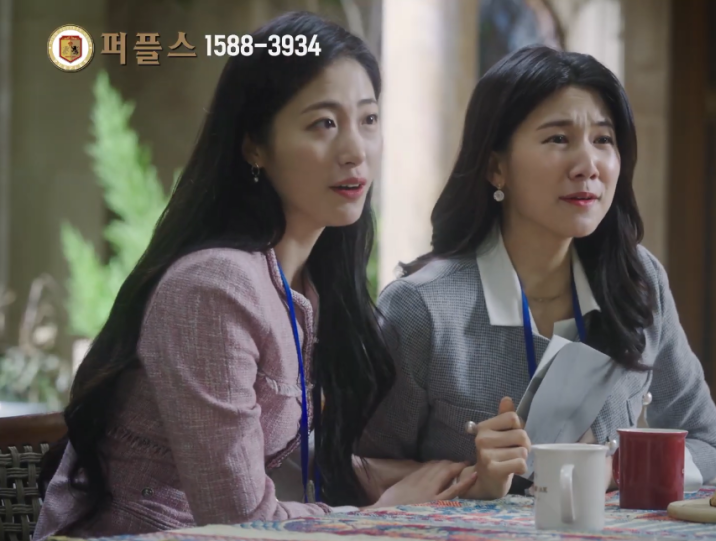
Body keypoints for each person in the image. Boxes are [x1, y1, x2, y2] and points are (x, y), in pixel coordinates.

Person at [34, 12, 472, 540]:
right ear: (254, 146)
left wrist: (456, 479)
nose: (356, 150)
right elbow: (244, 522)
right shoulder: (213, 289)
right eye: (323, 123)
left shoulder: (306, 285)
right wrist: (380, 514)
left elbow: (304, 471)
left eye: (369, 119)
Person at [358, 45, 716, 500]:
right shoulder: (421, 309)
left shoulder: (638, 281)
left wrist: (617, 470)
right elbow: (357, 469)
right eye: (558, 139)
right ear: (496, 167)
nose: (588, 166)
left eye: (603, 140)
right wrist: (472, 479)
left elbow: (707, 442)